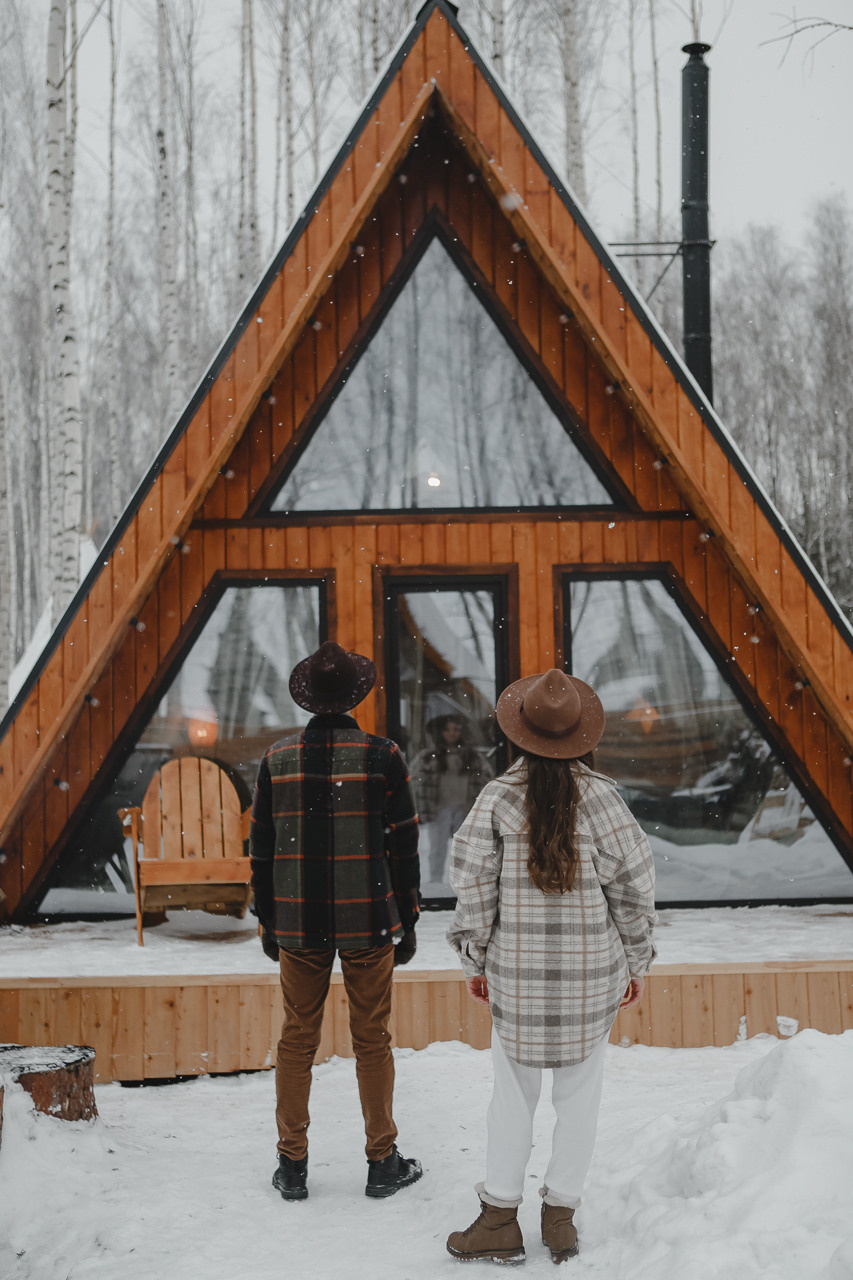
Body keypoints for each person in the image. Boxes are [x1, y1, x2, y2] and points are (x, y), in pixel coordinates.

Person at [445, 668, 656, 1264]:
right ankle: (561, 1218)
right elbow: (636, 890)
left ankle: (499, 1219)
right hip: (593, 977)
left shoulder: (496, 798)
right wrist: (635, 960)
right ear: (580, 735)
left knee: (511, 1098)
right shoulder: (606, 798)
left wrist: (475, 959)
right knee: (580, 1100)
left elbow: (473, 890)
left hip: (516, 975)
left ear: (519, 732)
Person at [250, 640, 423, 1202]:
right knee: (372, 1039)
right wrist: (409, 919)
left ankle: (292, 1165)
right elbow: (404, 847)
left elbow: (262, 851)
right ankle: (381, 1162)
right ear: (357, 696)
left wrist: (270, 923)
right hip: (368, 917)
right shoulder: (383, 756)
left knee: (296, 1040)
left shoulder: (277, 761)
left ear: (308, 700)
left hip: (299, 923)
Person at [411, 714, 493, 885]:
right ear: (440, 732)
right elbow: (414, 779)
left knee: (464, 848)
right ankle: (435, 881)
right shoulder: (428, 755)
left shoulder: (471, 755)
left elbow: (487, 776)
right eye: (447, 729)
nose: (452, 733)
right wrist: (422, 805)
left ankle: (463, 882)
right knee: (437, 848)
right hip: (439, 807)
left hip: (464, 807)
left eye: (455, 729)